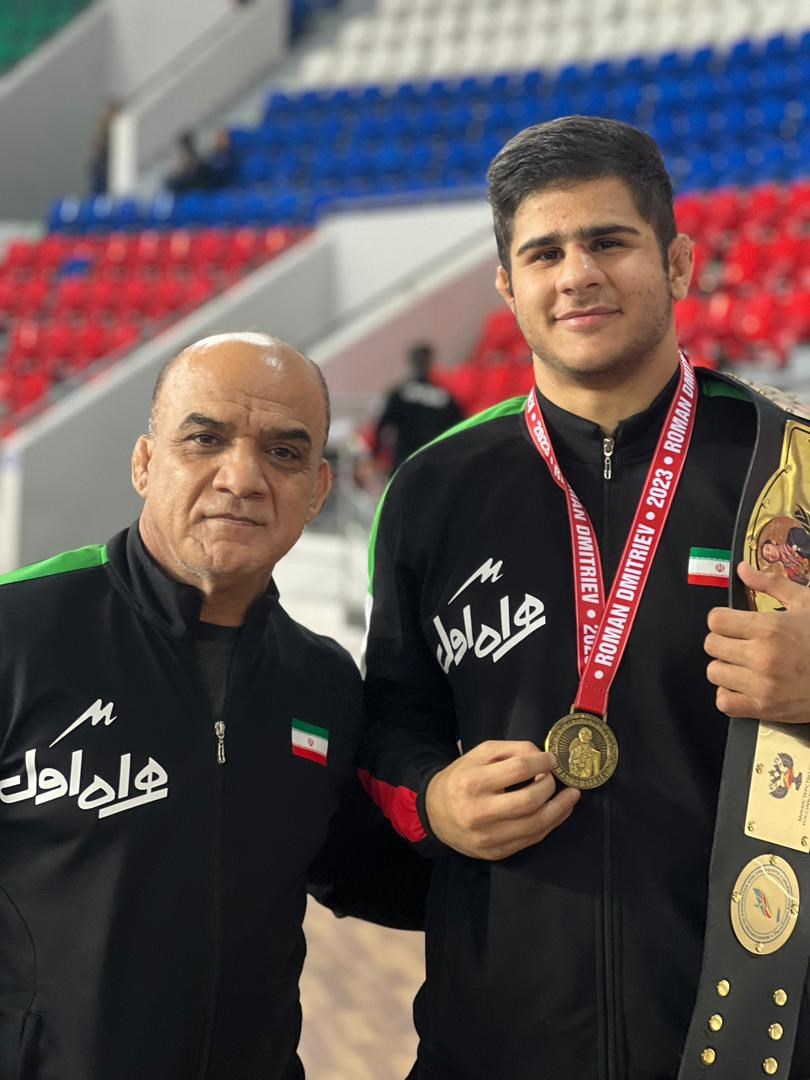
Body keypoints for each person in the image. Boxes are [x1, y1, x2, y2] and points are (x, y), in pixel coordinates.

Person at [358, 116, 810, 1078]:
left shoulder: (791, 467)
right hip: (496, 1043)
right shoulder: (435, 489)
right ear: (507, 285)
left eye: (609, 241)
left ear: (678, 263)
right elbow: (390, 718)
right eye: (545, 253)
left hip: (753, 1036)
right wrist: (434, 799)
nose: (577, 275)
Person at [0, 331, 426, 1079]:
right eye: (205, 440)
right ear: (144, 462)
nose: (243, 478)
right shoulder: (18, 633)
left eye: (284, 453)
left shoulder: (322, 683)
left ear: (318, 489)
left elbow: (365, 872)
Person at [372, 342, 464, 474]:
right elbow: (459, 426)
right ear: (430, 362)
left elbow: (383, 424)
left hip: (407, 463)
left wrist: (375, 453)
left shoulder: (400, 393)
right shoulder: (444, 397)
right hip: (432, 462)